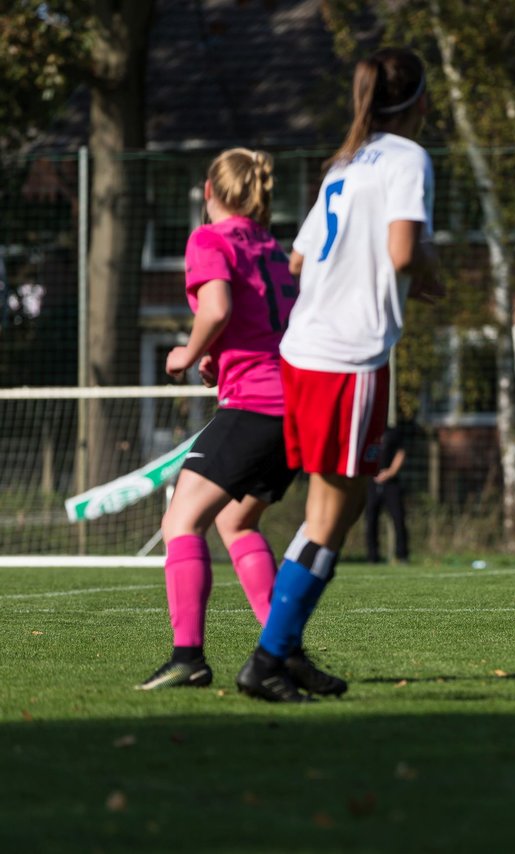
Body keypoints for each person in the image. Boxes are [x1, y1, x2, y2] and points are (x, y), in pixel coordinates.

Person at [235, 47, 439, 702]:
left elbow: (297, 261)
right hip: (347, 357)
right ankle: (268, 660)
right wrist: (435, 280)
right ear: (422, 102)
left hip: (309, 349)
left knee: (340, 508)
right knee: (331, 514)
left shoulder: (346, 161)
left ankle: (285, 651)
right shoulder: (408, 159)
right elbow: (404, 252)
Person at [137, 148, 305, 691]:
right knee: (238, 523)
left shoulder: (209, 239)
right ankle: (283, 653)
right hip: (292, 408)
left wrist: (187, 353)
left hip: (253, 405)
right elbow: (264, 320)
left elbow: (216, 309)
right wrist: (220, 353)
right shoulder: (271, 250)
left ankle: (188, 657)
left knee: (180, 523)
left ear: (208, 192)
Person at [365, 421, 409, 563]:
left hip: (391, 484)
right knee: (371, 520)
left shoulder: (393, 433)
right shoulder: (366, 432)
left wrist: (390, 472)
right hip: (371, 482)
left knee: (398, 518)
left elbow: (401, 452)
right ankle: (373, 556)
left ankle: (402, 555)